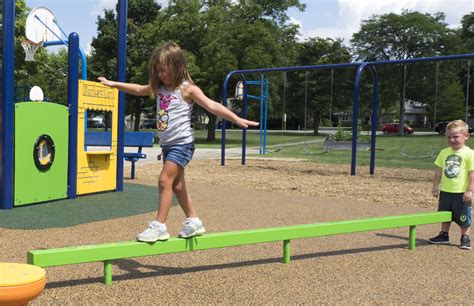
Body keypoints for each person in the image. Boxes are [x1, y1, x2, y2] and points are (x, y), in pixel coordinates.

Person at [98, 42, 259, 242]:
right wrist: (115, 84)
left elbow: (212, 105)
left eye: (163, 71)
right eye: (157, 72)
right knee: (177, 186)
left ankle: (159, 226)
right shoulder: (160, 88)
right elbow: (139, 89)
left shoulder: (187, 90)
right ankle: (194, 221)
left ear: (176, 66)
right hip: (168, 145)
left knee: (164, 180)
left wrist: (235, 118)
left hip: (182, 144)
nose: (159, 75)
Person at [430, 119, 472, 250]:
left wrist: (470, 190)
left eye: (456, 137)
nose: (452, 140)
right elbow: (438, 170)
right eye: (449, 137)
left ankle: (465, 237)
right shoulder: (444, 152)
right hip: (446, 191)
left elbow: (472, 173)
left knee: (463, 216)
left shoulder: (469, 153)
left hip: (461, 192)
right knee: (444, 213)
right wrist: (435, 186)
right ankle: (444, 235)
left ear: (466, 136)